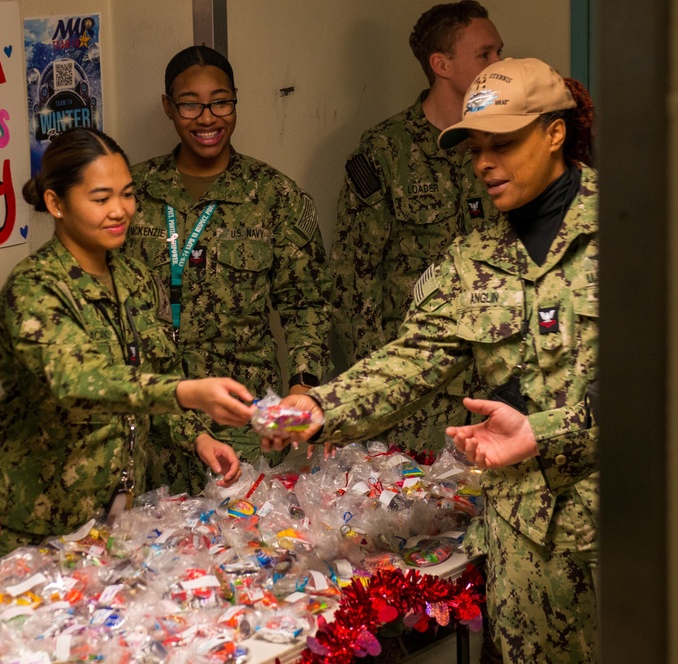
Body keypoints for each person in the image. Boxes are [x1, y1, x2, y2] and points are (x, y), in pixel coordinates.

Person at [271, 58, 598, 663]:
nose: (483, 163)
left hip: (627, 544)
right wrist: (317, 406)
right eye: (476, 147)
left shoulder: (635, 230)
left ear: (555, 132)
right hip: (524, 555)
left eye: (502, 143)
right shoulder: (473, 259)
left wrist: (547, 432)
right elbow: (409, 360)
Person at [0, 127, 253, 555]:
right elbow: (79, 382)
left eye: (127, 195)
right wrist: (189, 394)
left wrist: (198, 437)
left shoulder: (133, 277)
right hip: (42, 528)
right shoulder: (35, 289)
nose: (120, 211)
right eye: (100, 198)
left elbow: (155, 375)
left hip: (117, 520)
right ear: (56, 203)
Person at [121, 45, 331, 492]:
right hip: (152, 416)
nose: (207, 117)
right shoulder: (132, 192)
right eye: (190, 104)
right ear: (168, 107)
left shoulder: (275, 196)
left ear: (235, 101)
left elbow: (307, 303)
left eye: (220, 101)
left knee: (245, 548)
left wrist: (303, 384)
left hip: (243, 416)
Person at [330, 1, 504, 453]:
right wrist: (378, 398)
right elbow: (354, 284)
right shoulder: (385, 152)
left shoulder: (505, 144)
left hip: (499, 386)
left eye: (498, 52)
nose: (498, 65)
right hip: (419, 398)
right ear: (441, 65)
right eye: (485, 54)